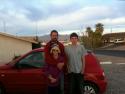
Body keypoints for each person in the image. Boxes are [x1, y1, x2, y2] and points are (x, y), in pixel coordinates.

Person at [44, 30, 67, 94]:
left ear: (57, 36)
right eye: (53, 35)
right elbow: (47, 58)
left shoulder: (61, 45)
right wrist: (57, 64)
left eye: (56, 35)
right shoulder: (47, 46)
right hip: (50, 71)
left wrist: (63, 63)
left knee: (61, 89)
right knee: (50, 89)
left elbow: (64, 57)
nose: (55, 37)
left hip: (60, 71)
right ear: (50, 36)